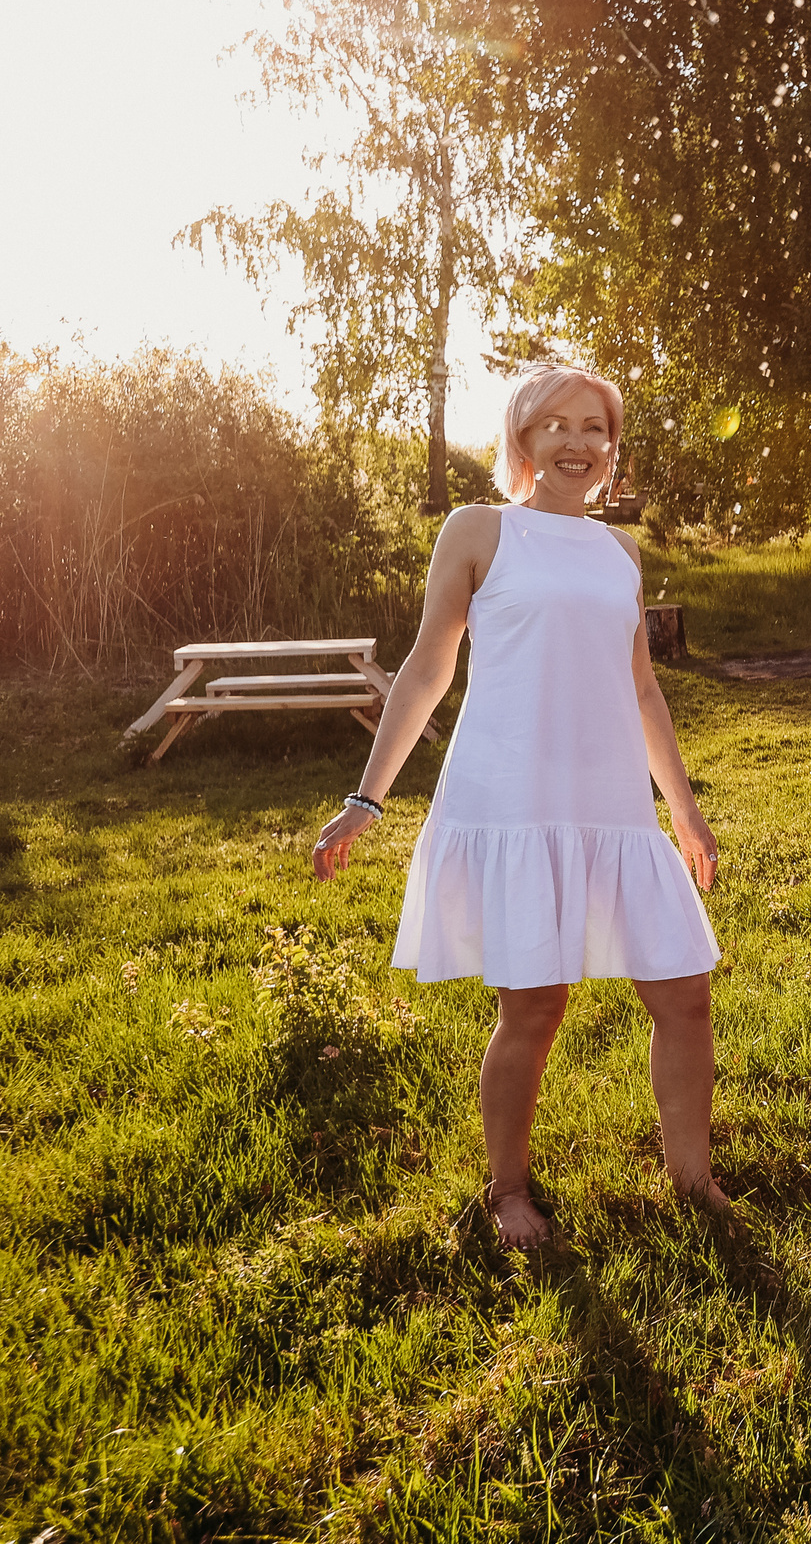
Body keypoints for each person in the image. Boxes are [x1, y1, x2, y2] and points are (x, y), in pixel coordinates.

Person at [310, 365, 723, 1248]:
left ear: (613, 448)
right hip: (514, 797)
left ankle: (695, 1179)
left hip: (611, 805)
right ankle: (507, 1192)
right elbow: (428, 668)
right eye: (557, 425)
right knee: (534, 1008)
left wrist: (683, 812)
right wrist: (367, 797)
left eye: (596, 429)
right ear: (523, 438)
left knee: (685, 992)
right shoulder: (478, 529)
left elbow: (642, 688)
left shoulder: (621, 551)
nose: (579, 443)